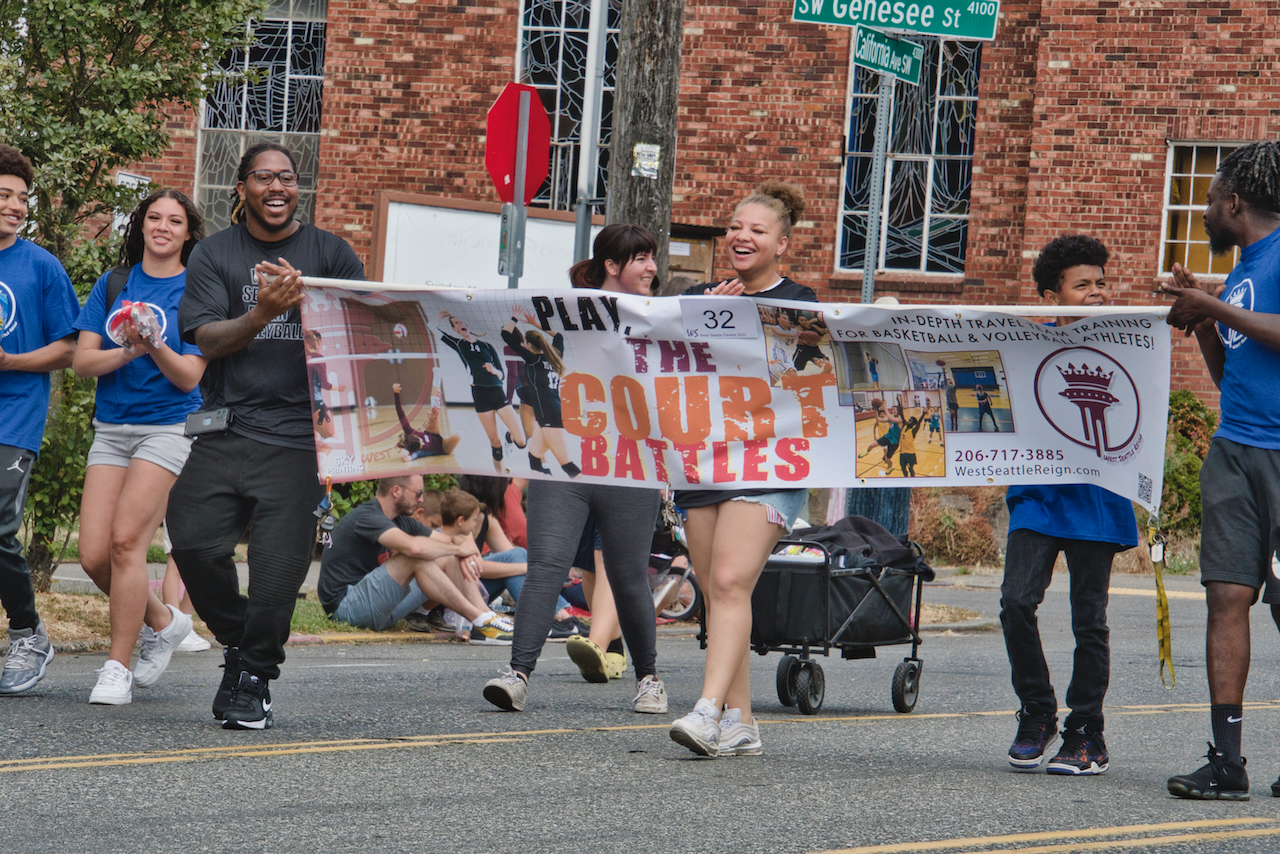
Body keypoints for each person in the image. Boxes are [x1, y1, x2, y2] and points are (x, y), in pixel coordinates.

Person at [166, 142, 365, 730]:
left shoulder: (331, 253)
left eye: (287, 177)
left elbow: (360, 336)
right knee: (194, 544)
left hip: (300, 438)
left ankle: (253, 679)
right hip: (227, 426)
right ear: (241, 188)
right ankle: (241, 644)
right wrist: (262, 312)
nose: (276, 187)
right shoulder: (214, 254)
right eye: (263, 178)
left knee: (277, 574)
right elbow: (205, 339)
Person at [483, 223, 668, 716]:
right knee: (545, 565)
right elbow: (518, 339)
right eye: (642, 259)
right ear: (612, 266)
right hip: (569, 462)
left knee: (628, 574)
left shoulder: (663, 317)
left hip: (631, 464)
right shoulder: (565, 312)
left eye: (653, 258)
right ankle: (517, 675)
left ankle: (649, 677)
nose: (653, 268)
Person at [669, 181, 816, 757]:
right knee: (717, 590)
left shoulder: (801, 300)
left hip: (771, 459)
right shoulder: (703, 295)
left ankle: (706, 712)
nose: (741, 236)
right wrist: (707, 315)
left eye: (757, 230)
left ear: (782, 244)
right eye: (735, 226)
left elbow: (807, 378)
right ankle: (743, 720)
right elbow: (667, 370)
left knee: (731, 581)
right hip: (705, 458)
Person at [1162, 141, 1280, 800]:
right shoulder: (1239, 272)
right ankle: (1227, 761)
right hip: (1234, 449)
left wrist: (1216, 308)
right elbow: (1232, 376)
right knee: (1226, 598)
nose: (1204, 210)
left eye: (1209, 199)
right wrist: (1203, 321)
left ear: (1235, 202)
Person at [999, 233, 1138, 776]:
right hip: (1037, 492)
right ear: (1050, 295)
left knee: (1090, 621)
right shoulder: (1025, 343)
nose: (1097, 293)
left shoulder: (1130, 342)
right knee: (1015, 601)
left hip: (1098, 496)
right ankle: (1037, 711)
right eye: (1082, 286)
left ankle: (1086, 732)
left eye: (1101, 283)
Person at [72, 189, 207, 704]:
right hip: (112, 427)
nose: (163, 227)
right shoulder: (115, 283)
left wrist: (155, 343)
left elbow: (191, 375)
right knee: (92, 555)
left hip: (168, 426)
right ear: (141, 226)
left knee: (127, 543)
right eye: (154, 217)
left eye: (175, 220)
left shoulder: (197, 289)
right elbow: (84, 361)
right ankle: (165, 620)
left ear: (188, 232)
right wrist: (128, 350)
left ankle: (116, 666)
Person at [0, 144, 79, 695]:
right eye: (5, 195)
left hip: (14, 416)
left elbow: (71, 348)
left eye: (22, 197)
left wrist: (10, 362)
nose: (16, 205)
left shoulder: (41, 266)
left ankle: (28, 633)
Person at [317, 476, 513, 641]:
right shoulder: (367, 516)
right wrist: (456, 549)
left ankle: (485, 617)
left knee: (448, 557)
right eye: (418, 494)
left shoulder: (402, 521)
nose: (421, 500)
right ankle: (477, 617)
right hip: (346, 608)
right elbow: (414, 547)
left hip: (380, 608)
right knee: (416, 556)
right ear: (396, 491)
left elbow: (452, 537)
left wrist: (462, 550)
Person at [435, 310, 526, 471]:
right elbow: (433, 329)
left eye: (460, 322)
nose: (459, 324)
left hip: (498, 393)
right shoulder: (458, 344)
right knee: (495, 443)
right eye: (456, 324)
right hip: (480, 396)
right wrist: (440, 318)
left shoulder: (486, 346)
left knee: (521, 441)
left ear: (466, 325)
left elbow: (502, 374)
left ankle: (509, 437)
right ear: (455, 330)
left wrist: (494, 371)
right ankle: (500, 478)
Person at [501, 306, 580, 477]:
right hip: (550, 412)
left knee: (566, 465)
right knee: (534, 456)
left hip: (549, 415)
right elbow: (558, 336)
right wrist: (535, 324)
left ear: (529, 345)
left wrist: (514, 317)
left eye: (526, 345)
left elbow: (506, 335)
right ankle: (545, 483)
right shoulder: (555, 357)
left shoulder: (533, 359)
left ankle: (585, 486)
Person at [391, 381, 459, 461]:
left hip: (433, 433)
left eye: (421, 442)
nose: (423, 444)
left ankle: (437, 377)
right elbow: (415, 455)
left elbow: (400, 414)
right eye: (422, 445)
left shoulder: (409, 431)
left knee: (435, 411)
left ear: (415, 437)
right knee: (456, 436)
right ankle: (467, 426)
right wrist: (408, 458)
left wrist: (396, 393)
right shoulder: (419, 451)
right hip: (442, 448)